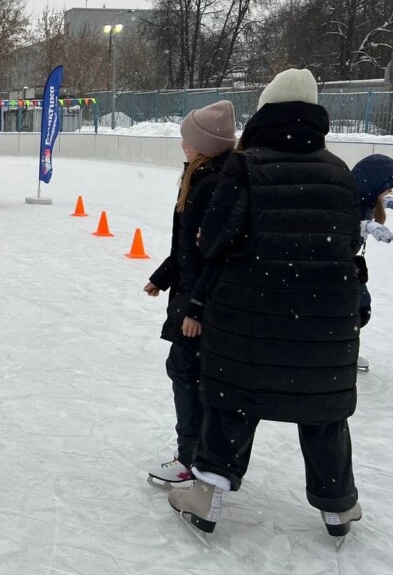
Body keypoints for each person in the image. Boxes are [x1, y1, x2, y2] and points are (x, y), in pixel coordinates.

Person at [168, 68, 363, 538]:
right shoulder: (338, 170)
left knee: (233, 400)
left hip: (249, 312)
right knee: (322, 409)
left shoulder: (247, 164)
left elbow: (214, 239)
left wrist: (207, 237)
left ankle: (208, 495)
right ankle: (338, 506)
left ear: (266, 111)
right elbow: (350, 242)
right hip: (324, 317)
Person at [143, 101, 235, 485]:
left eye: (188, 138)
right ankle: (200, 456)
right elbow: (189, 245)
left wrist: (195, 309)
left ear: (204, 145)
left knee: (187, 372)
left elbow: (214, 254)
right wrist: (163, 275)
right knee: (189, 372)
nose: (183, 144)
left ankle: (192, 458)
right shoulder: (202, 177)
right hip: (191, 292)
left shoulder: (212, 183)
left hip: (200, 301)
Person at [350, 154, 393, 372]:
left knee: (361, 308)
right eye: (388, 186)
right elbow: (337, 226)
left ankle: (343, 349)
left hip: (347, 262)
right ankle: (337, 351)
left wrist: (382, 202)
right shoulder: (348, 198)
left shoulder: (365, 197)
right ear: (373, 181)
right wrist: (365, 226)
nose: (391, 191)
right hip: (333, 264)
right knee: (353, 310)